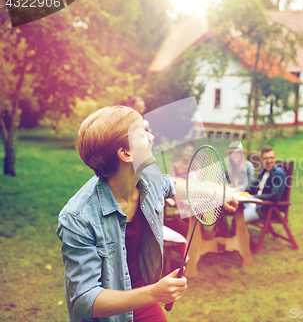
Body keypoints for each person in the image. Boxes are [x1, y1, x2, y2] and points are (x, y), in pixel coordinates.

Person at [56, 106, 237, 322]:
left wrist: (216, 193)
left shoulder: (146, 175)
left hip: (141, 299)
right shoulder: (78, 219)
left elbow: (167, 185)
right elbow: (84, 300)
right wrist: (154, 293)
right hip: (107, 314)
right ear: (126, 154)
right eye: (143, 133)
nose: (151, 137)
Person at [243, 146, 286, 223]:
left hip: (265, 209)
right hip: (254, 204)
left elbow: (275, 196)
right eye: (266, 158)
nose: (269, 161)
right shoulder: (263, 171)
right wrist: (240, 190)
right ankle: (228, 233)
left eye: (271, 158)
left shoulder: (279, 174)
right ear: (261, 159)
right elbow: (253, 188)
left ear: (275, 158)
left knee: (239, 218)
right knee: (235, 209)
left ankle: (238, 234)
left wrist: (255, 197)